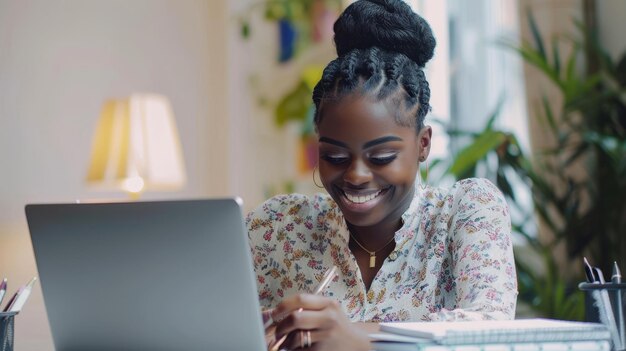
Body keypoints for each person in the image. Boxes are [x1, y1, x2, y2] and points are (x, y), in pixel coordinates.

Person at [246, 0, 518, 349]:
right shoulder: (279, 226)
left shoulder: (465, 212)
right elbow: (213, 319)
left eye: (381, 156)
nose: (356, 175)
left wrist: (355, 337)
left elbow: (492, 330)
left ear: (423, 144)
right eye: (335, 155)